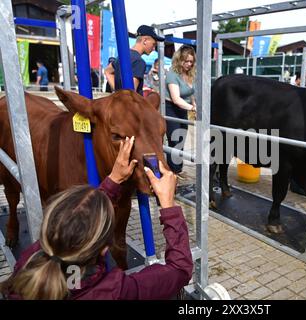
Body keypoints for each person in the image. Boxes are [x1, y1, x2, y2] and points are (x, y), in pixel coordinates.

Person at [0, 137, 193, 300]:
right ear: (104, 250)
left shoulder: (30, 260)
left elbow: (82, 218)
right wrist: (168, 205)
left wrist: (114, 179)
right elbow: (180, 269)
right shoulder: (110, 291)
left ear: (49, 226)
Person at [104, 25, 165, 96]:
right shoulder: (139, 61)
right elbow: (131, 95)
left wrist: (117, 92)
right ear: (145, 41)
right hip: (129, 105)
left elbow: (107, 71)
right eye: (153, 44)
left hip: (119, 103)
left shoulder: (122, 56)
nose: (154, 48)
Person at [165, 45, 197, 176]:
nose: (189, 64)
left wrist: (195, 105)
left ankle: (178, 170)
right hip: (171, 109)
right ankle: (172, 172)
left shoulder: (189, 74)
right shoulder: (172, 74)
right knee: (174, 140)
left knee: (181, 140)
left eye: (191, 61)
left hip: (183, 110)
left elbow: (190, 93)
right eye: (186, 61)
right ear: (179, 59)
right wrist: (193, 108)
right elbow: (176, 98)